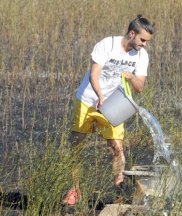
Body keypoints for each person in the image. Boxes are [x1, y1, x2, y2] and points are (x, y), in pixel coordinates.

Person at [64, 15, 155, 205]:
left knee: (116, 148)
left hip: (113, 105)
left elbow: (140, 87)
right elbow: (94, 74)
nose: (145, 44)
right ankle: (74, 189)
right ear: (132, 34)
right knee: (75, 145)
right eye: (142, 40)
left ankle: (119, 194)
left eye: (147, 41)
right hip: (88, 100)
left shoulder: (141, 56)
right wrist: (99, 95)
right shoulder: (107, 45)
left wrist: (131, 77)